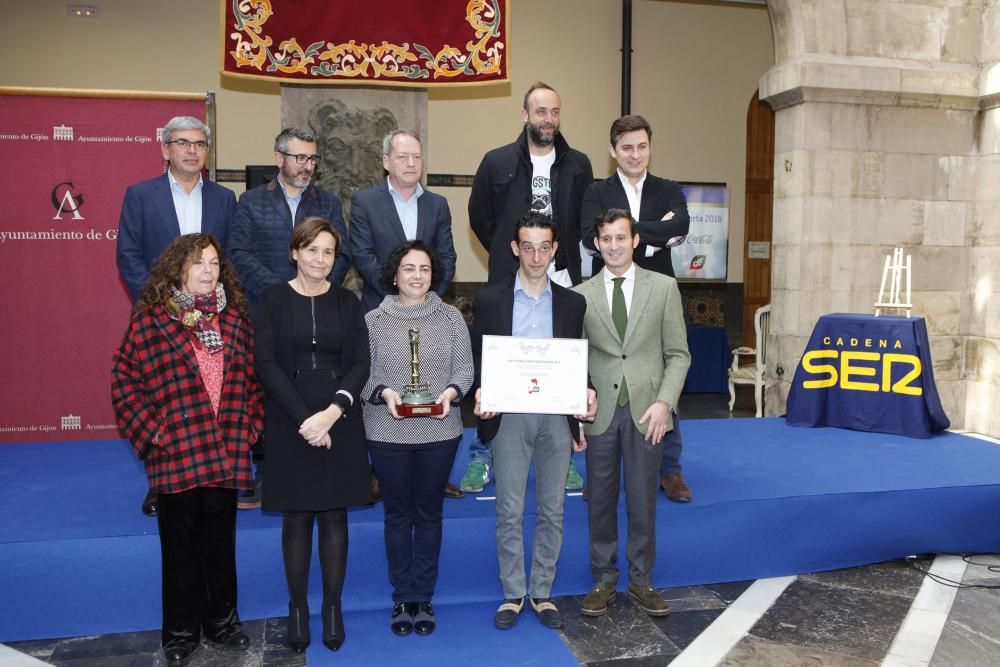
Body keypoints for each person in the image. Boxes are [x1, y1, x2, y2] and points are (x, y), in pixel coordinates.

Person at [111, 234, 260, 666]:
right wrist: (152, 432)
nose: (208, 271)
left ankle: (223, 623)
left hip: (226, 447)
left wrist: (250, 426)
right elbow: (123, 382)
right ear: (179, 269)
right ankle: (179, 633)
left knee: (221, 543)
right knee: (179, 547)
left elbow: (254, 381)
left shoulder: (234, 320)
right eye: (198, 263)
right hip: (176, 450)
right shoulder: (151, 321)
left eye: (214, 263)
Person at [462, 81, 593, 494]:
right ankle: (484, 455)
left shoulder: (579, 164)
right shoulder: (496, 161)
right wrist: (515, 257)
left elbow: (583, 220)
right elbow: (481, 218)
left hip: (563, 277)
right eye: (540, 112)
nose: (548, 120)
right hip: (511, 280)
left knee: (562, 367)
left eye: (554, 112)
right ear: (525, 115)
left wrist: (557, 257)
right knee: (497, 367)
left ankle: (565, 454)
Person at [472, 212, 596, 631]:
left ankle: (541, 592)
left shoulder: (573, 302)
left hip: (556, 417)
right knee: (508, 508)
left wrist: (588, 392)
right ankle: (512, 594)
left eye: (545, 247)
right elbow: (477, 359)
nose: (536, 255)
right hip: (508, 415)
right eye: (528, 246)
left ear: (555, 249)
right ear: (514, 249)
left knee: (553, 509)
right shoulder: (490, 300)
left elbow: (578, 360)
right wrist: (481, 392)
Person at [254, 217, 371, 653]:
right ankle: (298, 608)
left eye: (328, 252)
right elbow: (265, 364)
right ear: (294, 252)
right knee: (298, 516)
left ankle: (333, 607)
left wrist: (333, 411)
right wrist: (307, 420)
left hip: (339, 417)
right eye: (312, 250)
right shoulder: (271, 299)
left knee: (335, 515)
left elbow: (361, 361)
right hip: (289, 419)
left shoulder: (348, 301)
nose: (320, 260)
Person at [116, 115, 237, 517]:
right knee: (163, 402)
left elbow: (229, 258)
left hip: (211, 317)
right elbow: (128, 255)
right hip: (159, 317)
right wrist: (159, 301)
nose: (191, 150)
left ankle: (212, 474)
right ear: (166, 149)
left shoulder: (224, 199)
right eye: (182, 143)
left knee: (208, 397)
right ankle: (161, 485)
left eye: (199, 144)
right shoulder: (140, 194)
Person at [573, 209, 690, 619]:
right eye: (606, 239)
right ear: (597, 243)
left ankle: (642, 582)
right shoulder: (581, 294)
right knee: (599, 502)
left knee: (643, 501)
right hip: (601, 412)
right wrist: (579, 401)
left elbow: (678, 354)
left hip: (648, 412)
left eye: (621, 237)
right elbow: (577, 357)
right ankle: (603, 580)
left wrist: (665, 402)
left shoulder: (664, 288)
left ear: (635, 240)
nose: (614, 246)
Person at [228, 127, 352, 509]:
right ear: (278, 157)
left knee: (310, 389)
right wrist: (284, 291)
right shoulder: (250, 202)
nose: (307, 166)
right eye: (300, 158)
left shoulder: (327, 202)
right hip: (266, 311)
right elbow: (238, 253)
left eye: (312, 159)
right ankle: (265, 474)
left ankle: (319, 463)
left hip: (316, 314)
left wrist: (310, 290)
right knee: (270, 393)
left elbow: (340, 254)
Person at [580, 114, 694, 503]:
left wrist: (636, 233)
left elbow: (682, 225)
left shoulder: (667, 188)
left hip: (656, 293)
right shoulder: (596, 191)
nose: (635, 154)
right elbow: (588, 235)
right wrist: (652, 235)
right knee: (612, 372)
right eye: (626, 147)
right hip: (608, 294)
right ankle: (606, 467)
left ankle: (670, 470)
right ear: (613, 151)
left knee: (663, 372)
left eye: (642, 146)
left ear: (650, 147)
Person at [362, 240, 473, 637]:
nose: (416, 276)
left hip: (439, 432)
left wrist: (451, 393)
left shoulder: (450, 318)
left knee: (428, 514)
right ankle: (401, 596)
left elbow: (464, 370)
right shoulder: (374, 320)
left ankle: (422, 596)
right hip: (386, 430)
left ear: (434, 274)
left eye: (424, 269)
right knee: (397, 515)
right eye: (408, 268)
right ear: (395, 274)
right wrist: (384, 393)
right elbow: (363, 375)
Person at [350, 130, 457, 313]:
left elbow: (447, 257)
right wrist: (399, 299)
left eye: (416, 157)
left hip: (428, 309)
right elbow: (364, 257)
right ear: (386, 161)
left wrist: (426, 298)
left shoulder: (437, 204)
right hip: (380, 309)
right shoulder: (365, 202)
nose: (411, 163)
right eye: (402, 157)